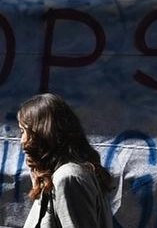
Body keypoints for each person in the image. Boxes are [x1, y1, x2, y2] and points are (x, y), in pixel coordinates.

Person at [18, 93, 114, 228]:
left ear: (43, 133)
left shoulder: (68, 178)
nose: (22, 140)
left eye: (23, 131)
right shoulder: (62, 175)